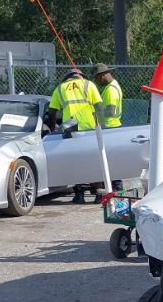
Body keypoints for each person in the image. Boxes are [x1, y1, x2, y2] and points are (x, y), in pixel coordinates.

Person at [45, 69, 104, 202]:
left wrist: (53, 127)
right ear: (81, 76)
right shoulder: (89, 84)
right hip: (90, 127)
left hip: (70, 128)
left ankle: (79, 195)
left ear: (67, 78)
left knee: (76, 161)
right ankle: (99, 195)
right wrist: (102, 125)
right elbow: (99, 107)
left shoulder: (60, 88)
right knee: (93, 160)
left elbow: (52, 112)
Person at [92, 63, 123, 128]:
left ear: (102, 76)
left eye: (96, 78)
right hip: (111, 126)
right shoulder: (112, 85)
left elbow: (110, 111)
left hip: (110, 127)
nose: (96, 81)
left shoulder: (111, 89)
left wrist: (94, 114)